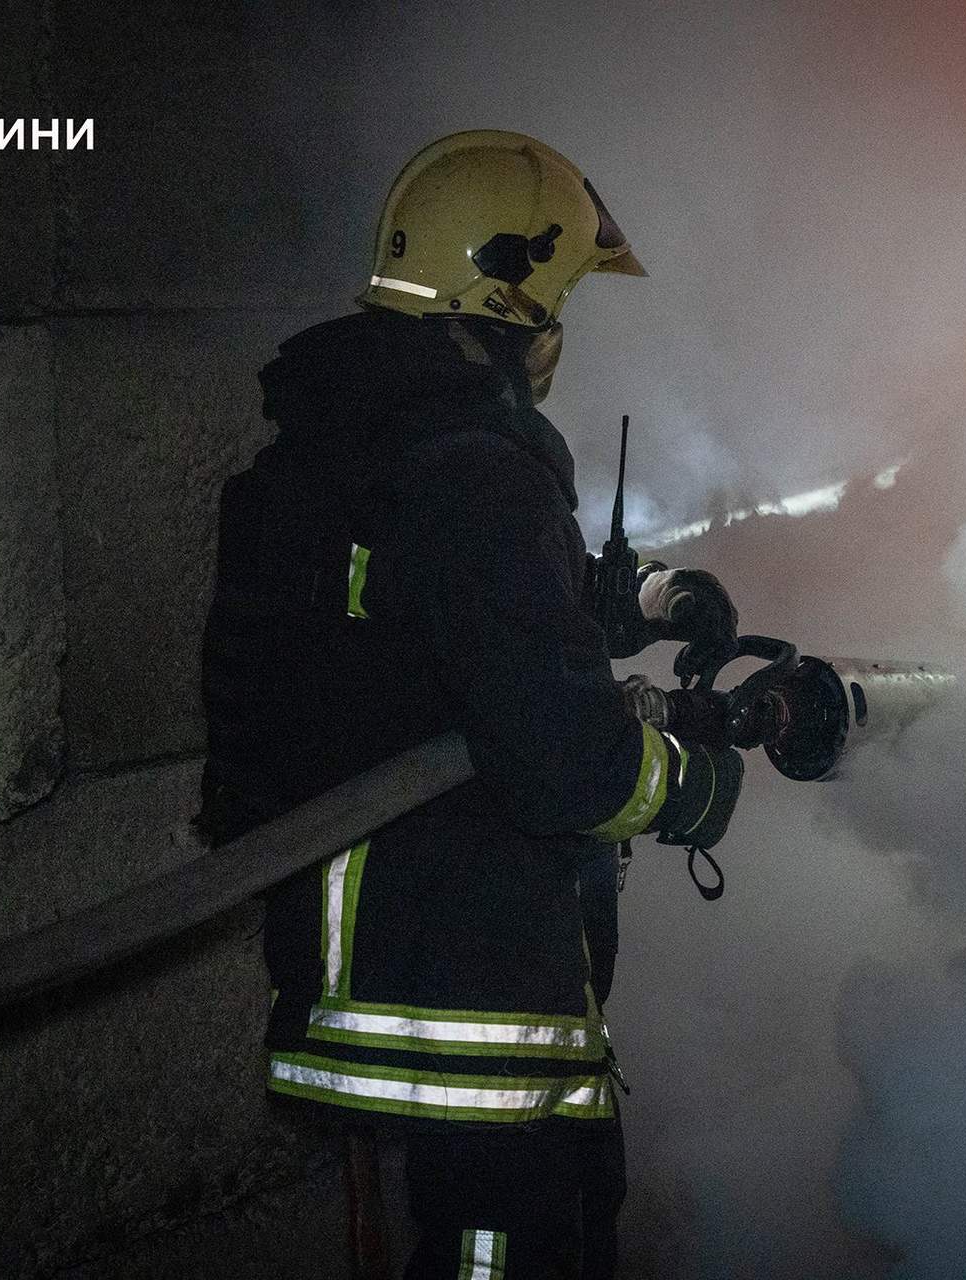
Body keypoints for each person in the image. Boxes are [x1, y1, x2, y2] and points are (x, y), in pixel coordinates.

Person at [197, 130, 745, 1279]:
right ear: (507, 298)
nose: (559, 340)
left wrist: (632, 600)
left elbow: (425, 639)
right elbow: (568, 766)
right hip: (454, 970)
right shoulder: (473, 470)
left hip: (360, 938)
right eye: (556, 307)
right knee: (521, 1244)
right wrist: (693, 783)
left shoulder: (336, 453)